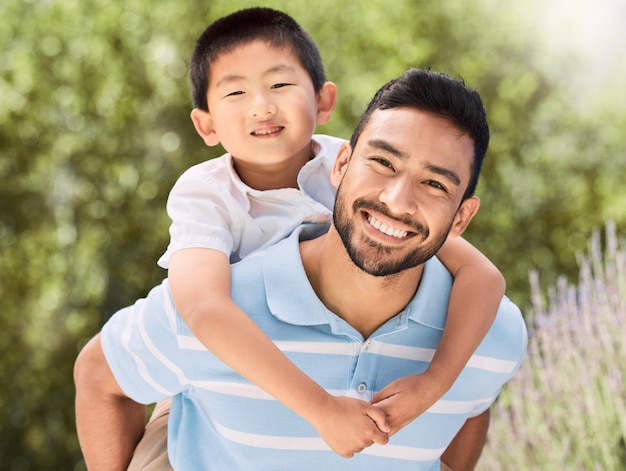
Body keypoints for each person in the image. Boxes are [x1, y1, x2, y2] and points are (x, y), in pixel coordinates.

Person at [75, 67, 528, 470]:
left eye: (433, 184)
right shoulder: (209, 310)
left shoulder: (491, 337)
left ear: (462, 218)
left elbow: (473, 404)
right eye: (383, 163)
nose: (397, 201)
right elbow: (99, 378)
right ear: (341, 165)